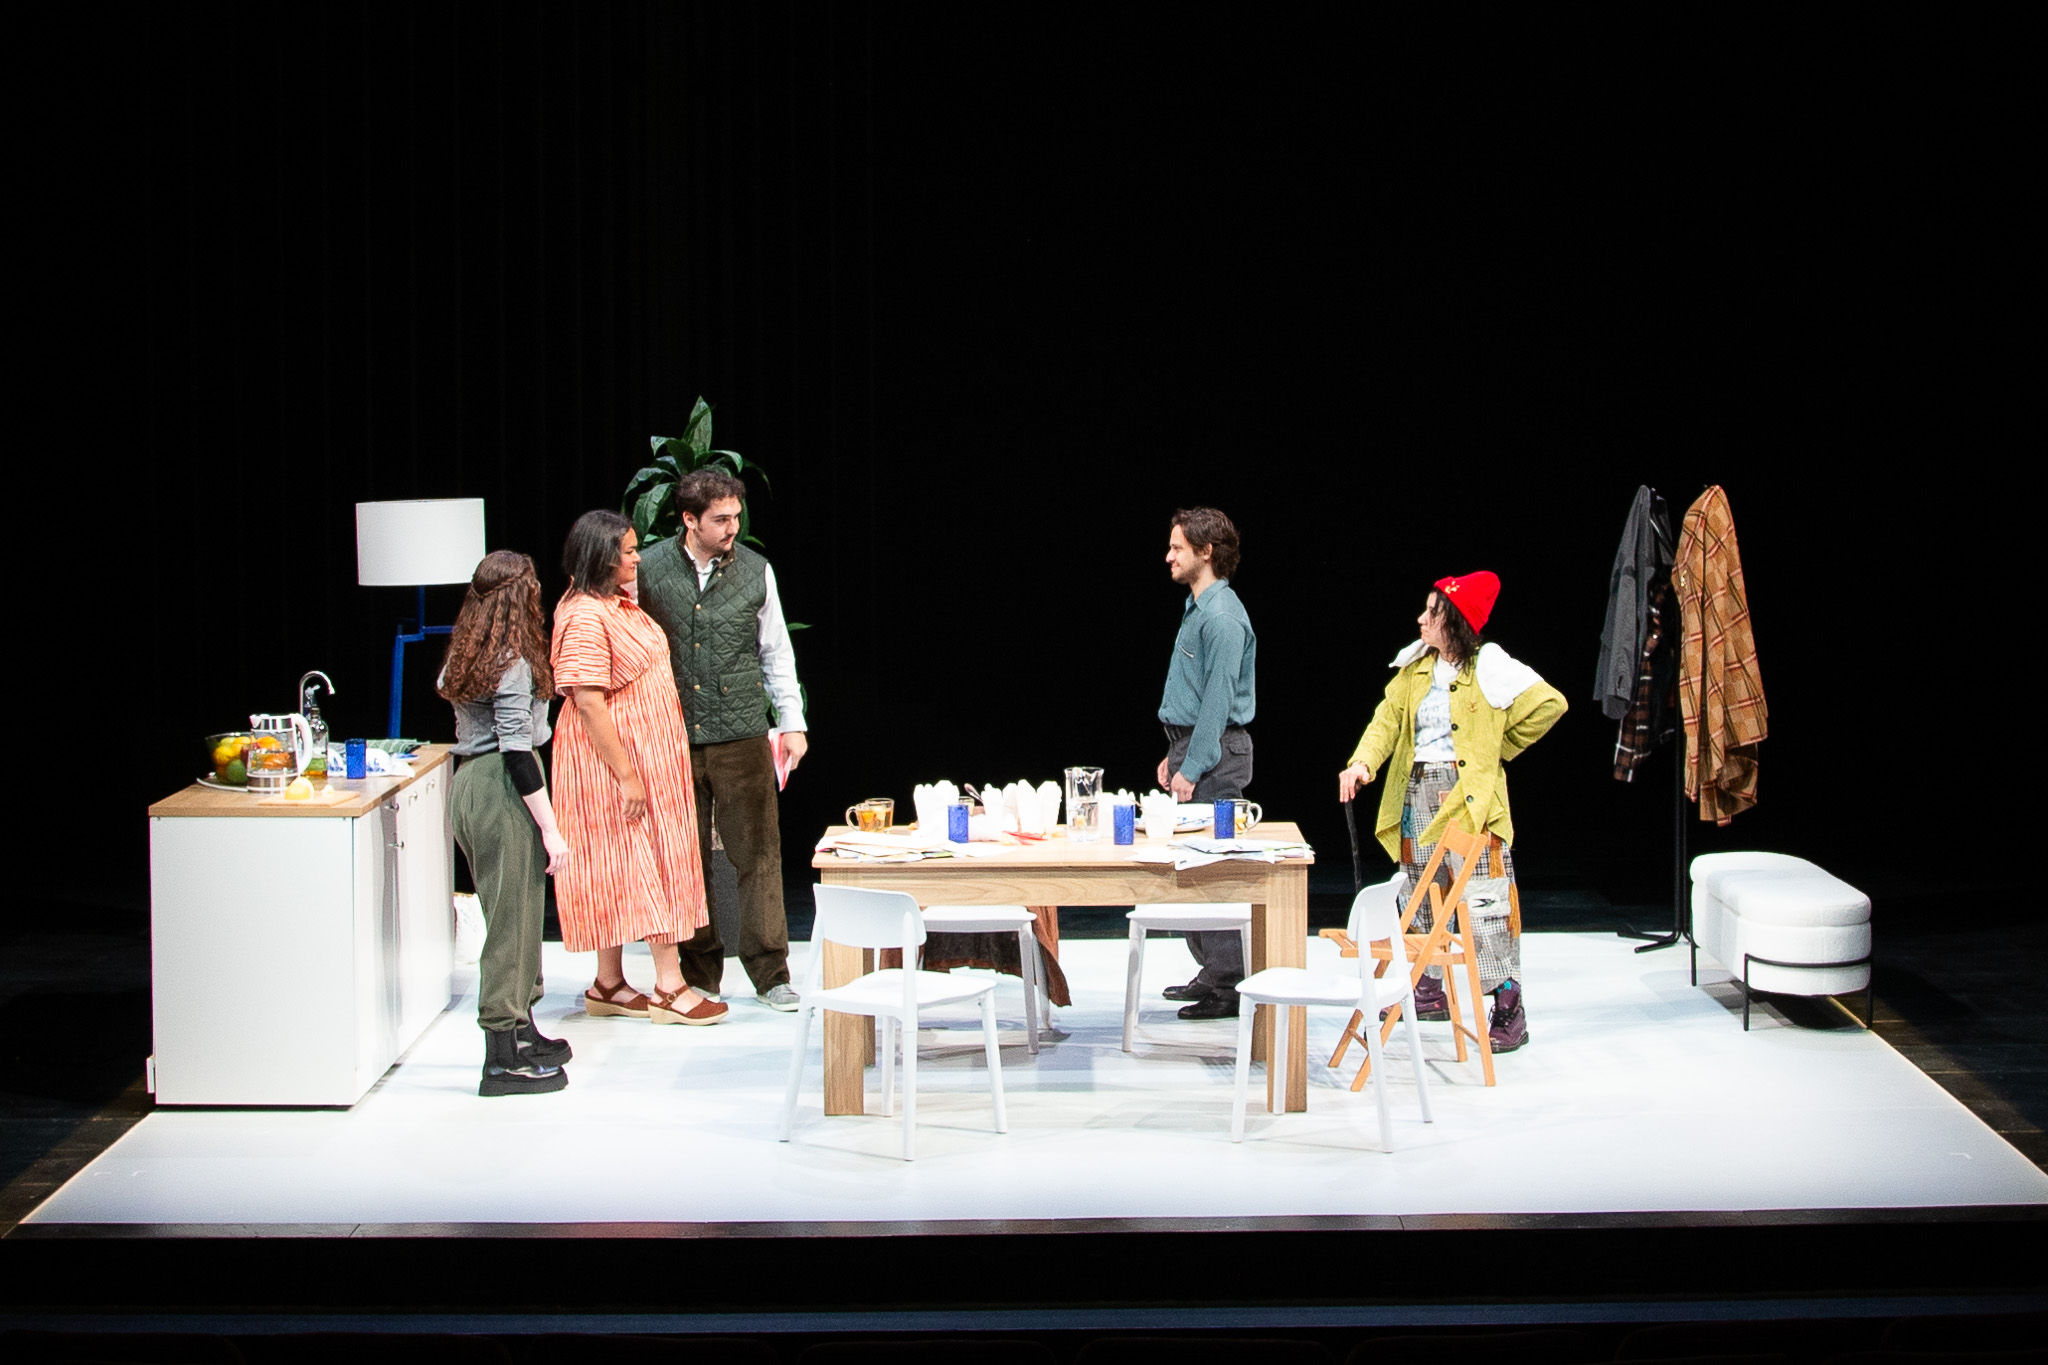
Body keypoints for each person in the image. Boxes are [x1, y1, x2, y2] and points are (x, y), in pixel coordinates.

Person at [1337, 572, 1565, 1052]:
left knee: (1484, 900)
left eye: (1432, 612)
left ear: (1455, 621)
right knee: (1419, 892)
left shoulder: (1489, 667)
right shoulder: (1416, 669)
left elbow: (1550, 704)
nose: (1421, 619)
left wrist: (1496, 748)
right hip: (1417, 791)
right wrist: (1362, 763)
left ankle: (1508, 1006)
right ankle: (1428, 987)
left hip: (1469, 799)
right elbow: (1386, 720)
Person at [637, 469, 810, 1012]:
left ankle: (771, 972)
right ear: (689, 519)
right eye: (721, 519)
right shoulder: (648, 567)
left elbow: (775, 651)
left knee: (757, 853)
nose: (733, 527)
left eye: (736, 516)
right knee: (686, 858)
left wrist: (792, 722)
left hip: (740, 734)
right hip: (673, 735)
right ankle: (699, 972)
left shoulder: (756, 570)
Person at [550, 510, 728, 1026]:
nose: (637, 559)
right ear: (602, 557)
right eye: (628, 551)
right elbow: (587, 700)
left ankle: (608, 983)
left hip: (643, 757)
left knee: (619, 862)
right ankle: (670, 987)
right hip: (612, 763)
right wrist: (627, 774)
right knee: (644, 859)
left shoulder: (612, 603)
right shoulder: (585, 615)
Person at [438, 551, 574, 1096]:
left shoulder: (467, 653)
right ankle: (500, 1058)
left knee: (515, 911)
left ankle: (521, 1029)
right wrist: (551, 829)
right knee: (511, 921)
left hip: (469, 784)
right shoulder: (511, 662)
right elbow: (518, 749)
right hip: (502, 785)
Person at [1153, 507, 1257, 1020]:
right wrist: (1175, 753)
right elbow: (1196, 695)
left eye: (1178, 547)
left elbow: (1218, 699)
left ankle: (1230, 982)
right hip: (1195, 747)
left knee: (1211, 870)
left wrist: (1192, 765)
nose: (1169, 556)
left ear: (1206, 551)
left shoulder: (1221, 617)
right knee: (1190, 869)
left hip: (1215, 757)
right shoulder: (1198, 608)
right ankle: (1214, 971)